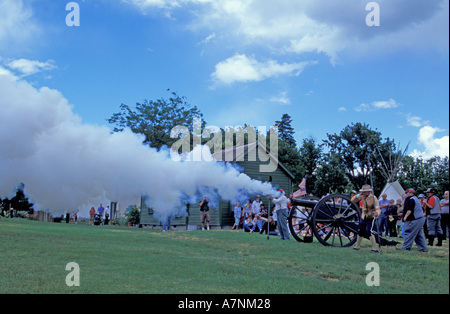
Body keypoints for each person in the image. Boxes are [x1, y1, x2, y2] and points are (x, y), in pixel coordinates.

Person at [351, 184, 380, 252]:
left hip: (371, 216)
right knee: (360, 230)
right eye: (362, 191)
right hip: (364, 215)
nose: (363, 192)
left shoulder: (374, 198)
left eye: (364, 191)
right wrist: (358, 195)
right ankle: (357, 246)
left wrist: (377, 213)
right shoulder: (362, 196)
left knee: (368, 231)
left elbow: (378, 208)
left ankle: (375, 248)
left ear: (368, 192)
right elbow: (353, 200)